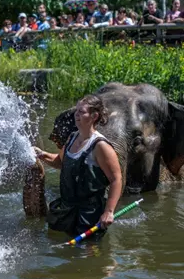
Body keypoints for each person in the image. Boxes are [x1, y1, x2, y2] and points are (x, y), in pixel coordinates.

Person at [33, 94, 122, 239]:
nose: (76, 115)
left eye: (82, 112)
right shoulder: (72, 137)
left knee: (87, 255)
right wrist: (42, 154)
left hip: (89, 214)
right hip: (65, 209)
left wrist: (109, 211)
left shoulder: (101, 146)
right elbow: (60, 162)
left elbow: (116, 179)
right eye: (76, 111)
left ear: (94, 116)